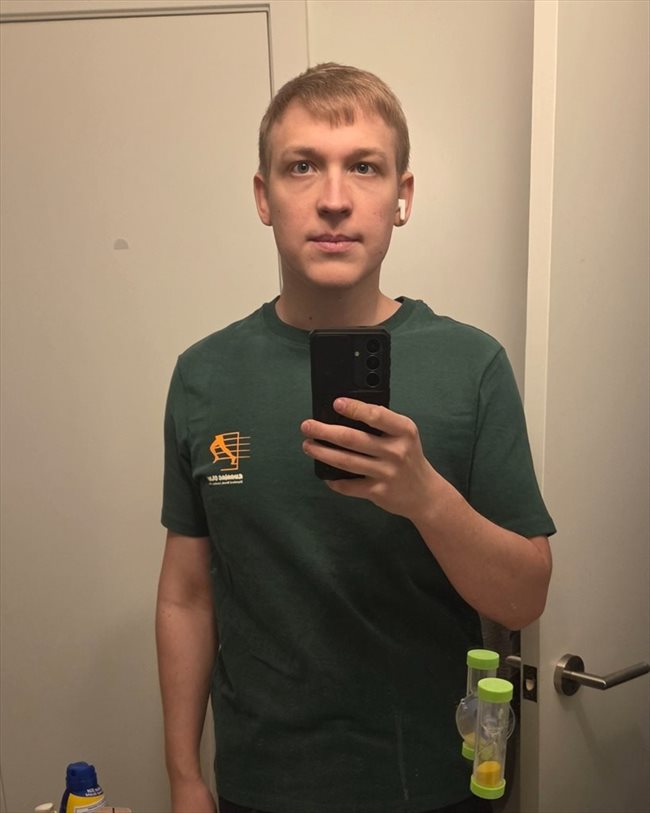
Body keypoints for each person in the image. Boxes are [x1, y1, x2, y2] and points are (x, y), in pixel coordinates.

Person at [156, 63, 555, 813]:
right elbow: (185, 594)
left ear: (402, 197)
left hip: (433, 783)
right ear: (264, 196)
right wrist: (183, 774)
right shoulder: (204, 374)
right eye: (302, 166)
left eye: (364, 167)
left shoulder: (472, 366)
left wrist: (425, 496)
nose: (334, 198)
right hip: (262, 786)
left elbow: (524, 597)